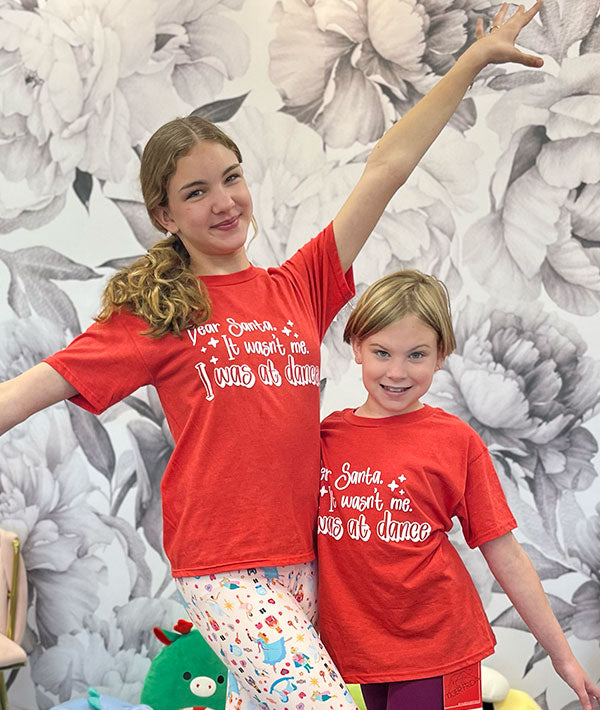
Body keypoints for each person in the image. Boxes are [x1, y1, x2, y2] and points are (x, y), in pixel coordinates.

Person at [0, 3, 545, 709]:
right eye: (196, 191)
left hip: (302, 563)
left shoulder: (299, 286)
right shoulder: (157, 317)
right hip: (224, 570)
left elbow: (387, 167)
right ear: (164, 216)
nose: (225, 201)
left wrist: (469, 64)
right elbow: (26, 392)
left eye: (231, 177)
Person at [317, 269, 600, 710]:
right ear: (356, 347)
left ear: (441, 355)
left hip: (439, 649)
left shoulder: (454, 441)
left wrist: (563, 657)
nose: (396, 371)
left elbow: (504, 551)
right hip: (361, 652)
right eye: (381, 352)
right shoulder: (326, 436)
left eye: (416, 355)